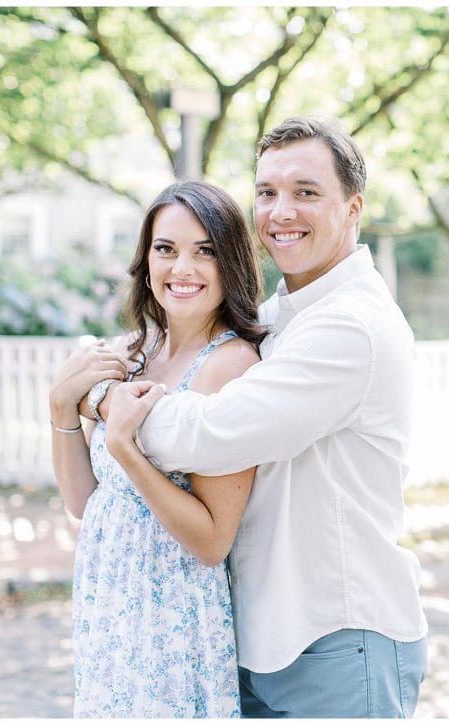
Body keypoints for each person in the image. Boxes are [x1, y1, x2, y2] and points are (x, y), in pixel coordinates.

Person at [100, 116, 429, 718]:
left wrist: (108, 403)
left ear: (353, 207)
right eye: (267, 193)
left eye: (306, 192)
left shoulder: (349, 326)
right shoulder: (281, 316)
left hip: (336, 637)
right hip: (261, 639)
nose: (281, 212)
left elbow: (213, 434)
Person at [48, 180, 265, 717]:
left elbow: (213, 541)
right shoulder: (130, 353)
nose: (182, 268)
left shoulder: (231, 366)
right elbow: (86, 504)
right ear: (146, 261)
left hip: (171, 617)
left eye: (204, 251)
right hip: (107, 601)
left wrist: (125, 447)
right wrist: (60, 409)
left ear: (230, 263)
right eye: (165, 249)